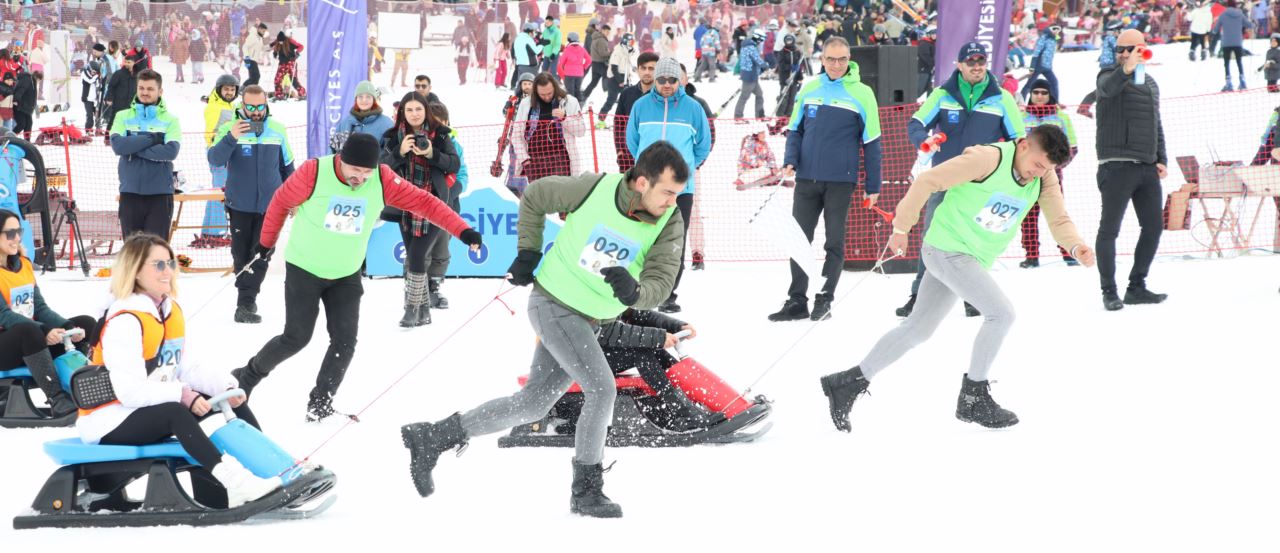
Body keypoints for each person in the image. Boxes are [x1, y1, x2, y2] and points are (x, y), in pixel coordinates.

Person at [399, 142, 690, 519]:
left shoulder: (670, 220)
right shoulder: (593, 188)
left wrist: (637, 292)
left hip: (591, 319)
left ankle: (433, 437)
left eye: (677, 195)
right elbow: (534, 196)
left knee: (532, 404)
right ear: (641, 182)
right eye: (667, 192)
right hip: (554, 305)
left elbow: (662, 280)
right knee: (601, 389)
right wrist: (529, 252)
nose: (672, 202)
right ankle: (586, 490)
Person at [819, 126, 1094, 433]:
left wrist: (1075, 245)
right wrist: (901, 227)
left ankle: (848, 382)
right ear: (1024, 145)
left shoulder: (1044, 177)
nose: (1038, 173)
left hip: (968, 257)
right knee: (1001, 314)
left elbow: (1058, 219)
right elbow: (927, 180)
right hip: (947, 250)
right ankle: (973, 397)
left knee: (916, 331)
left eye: (1047, 169)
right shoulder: (987, 159)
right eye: (1038, 164)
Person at [231, 134, 481, 421]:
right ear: (341, 160)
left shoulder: (383, 179)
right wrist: (265, 244)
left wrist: (463, 231)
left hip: (346, 273)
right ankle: (245, 377)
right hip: (304, 268)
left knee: (345, 342)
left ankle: (320, 404)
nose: (360, 177)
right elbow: (280, 202)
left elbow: (427, 203)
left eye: (366, 171)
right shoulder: (314, 172)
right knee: (296, 338)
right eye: (355, 170)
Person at [79, 234, 281, 507]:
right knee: (175, 412)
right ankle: (235, 484)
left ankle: (274, 471)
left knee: (226, 401)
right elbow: (129, 392)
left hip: (146, 408)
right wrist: (183, 395)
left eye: (170, 263)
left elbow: (182, 366)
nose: (168, 271)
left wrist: (223, 387)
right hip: (109, 419)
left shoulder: (167, 311)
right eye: (158, 265)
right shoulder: (125, 320)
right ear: (136, 271)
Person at [896, 42, 1024, 318]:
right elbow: (916, 124)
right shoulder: (942, 94)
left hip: (982, 184)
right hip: (943, 179)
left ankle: (971, 297)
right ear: (959, 64)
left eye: (981, 61)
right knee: (932, 236)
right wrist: (924, 142)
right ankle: (918, 295)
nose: (977, 66)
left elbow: (1019, 143)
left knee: (974, 239)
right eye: (971, 61)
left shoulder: (1001, 98)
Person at [768, 37, 882, 323]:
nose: (836, 65)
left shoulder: (863, 93)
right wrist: (790, 160)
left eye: (842, 59)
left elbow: (873, 143)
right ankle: (797, 300)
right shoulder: (810, 89)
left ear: (849, 59)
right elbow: (795, 130)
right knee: (798, 241)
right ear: (822, 59)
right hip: (806, 179)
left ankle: (824, 299)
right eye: (831, 59)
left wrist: (873, 186)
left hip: (840, 181)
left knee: (834, 242)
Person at [626, 58, 711, 314]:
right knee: (643, 236)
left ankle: (668, 294)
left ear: (679, 81)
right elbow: (632, 141)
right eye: (661, 79)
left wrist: (683, 171)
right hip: (646, 188)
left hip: (679, 191)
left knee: (674, 241)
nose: (666, 85)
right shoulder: (640, 106)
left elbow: (703, 145)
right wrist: (645, 169)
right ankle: (639, 290)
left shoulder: (693, 108)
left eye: (672, 80)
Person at [1094, 29, 1169, 311]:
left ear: (1143, 48)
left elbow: (1155, 122)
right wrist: (1125, 68)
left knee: (1153, 227)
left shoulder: (1149, 82)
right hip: (1115, 165)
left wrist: (1160, 157)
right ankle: (1109, 290)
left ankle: (1136, 286)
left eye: (1132, 48)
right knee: (1109, 229)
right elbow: (1108, 89)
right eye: (1121, 49)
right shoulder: (1107, 74)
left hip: (1146, 167)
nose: (1126, 53)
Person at [207, 85, 295, 324]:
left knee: (262, 253)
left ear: (266, 104)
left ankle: (246, 302)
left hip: (272, 205)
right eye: (251, 107)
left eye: (260, 106)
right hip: (239, 204)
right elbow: (214, 159)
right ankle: (245, 298)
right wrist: (231, 137)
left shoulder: (277, 129)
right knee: (241, 253)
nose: (256, 111)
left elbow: (288, 167)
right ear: (242, 105)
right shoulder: (229, 128)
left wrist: (294, 198)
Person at [0, 211, 95, 418]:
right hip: (8, 346)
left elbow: (40, 308)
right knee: (28, 331)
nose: (17, 238)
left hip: (31, 342)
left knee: (86, 324)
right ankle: (57, 398)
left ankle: (89, 386)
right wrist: (44, 331)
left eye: (19, 231)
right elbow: (4, 316)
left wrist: (67, 327)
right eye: (10, 233)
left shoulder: (23, 265)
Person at [380, 91, 462, 327]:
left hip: (434, 203)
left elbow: (455, 164)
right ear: (402, 113)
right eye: (409, 110)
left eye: (418, 109)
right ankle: (424, 310)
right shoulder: (393, 137)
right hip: (404, 205)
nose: (414, 114)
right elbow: (380, 168)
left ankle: (412, 308)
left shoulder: (441, 135)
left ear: (425, 110)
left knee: (416, 255)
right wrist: (399, 153)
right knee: (413, 254)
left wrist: (431, 153)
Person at [110, 68, 181, 240]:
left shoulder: (171, 120)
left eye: (150, 89)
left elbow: (171, 151)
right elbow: (118, 146)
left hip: (160, 195)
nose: (145, 92)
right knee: (132, 254)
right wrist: (154, 138)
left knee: (156, 253)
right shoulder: (122, 116)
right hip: (130, 194)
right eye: (141, 88)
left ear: (160, 91)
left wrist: (134, 147)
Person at [1019, 78, 1078, 268]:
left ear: (1050, 95)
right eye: (1035, 92)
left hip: (1052, 176)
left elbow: (1072, 148)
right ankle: (1031, 256)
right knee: (1027, 216)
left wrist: (1054, 167)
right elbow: (1017, 145)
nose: (1039, 96)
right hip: (1027, 176)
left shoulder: (1061, 117)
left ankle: (1068, 253)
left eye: (1044, 93)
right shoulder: (1022, 117)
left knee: (1057, 214)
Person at [425, 102, 466, 310]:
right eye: (434, 124)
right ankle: (416, 286)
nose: (438, 129)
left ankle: (434, 284)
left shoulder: (454, 146)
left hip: (448, 203)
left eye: (442, 124)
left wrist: (451, 193)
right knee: (422, 247)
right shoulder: (421, 143)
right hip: (424, 204)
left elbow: (463, 174)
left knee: (442, 245)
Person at [512, 73, 586, 183]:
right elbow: (516, 135)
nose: (546, 97)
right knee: (538, 198)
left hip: (560, 158)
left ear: (555, 88)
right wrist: (525, 159)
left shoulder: (570, 102)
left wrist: (564, 118)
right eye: (542, 94)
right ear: (536, 91)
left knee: (559, 196)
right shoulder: (526, 104)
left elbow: (581, 131)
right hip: (534, 160)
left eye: (549, 93)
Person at [197, 74, 240, 249]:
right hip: (219, 153)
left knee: (217, 190)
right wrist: (216, 148)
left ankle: (210, 230)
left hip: (225, 152)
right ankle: (216, 232)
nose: (229, 92)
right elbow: (211, 131)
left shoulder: (229, 105)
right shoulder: (216, 107)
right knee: (221, 192)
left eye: (232, 89)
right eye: (226, 89)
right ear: (219, 89)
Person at [612, 51, 657, 169]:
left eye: (651, 68)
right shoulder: (627, 94)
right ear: (637, 70)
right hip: (628, 158)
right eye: (643, 68)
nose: (647, 72)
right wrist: (620, 151)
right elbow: (619, 124)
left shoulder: (663, 96)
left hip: (656, 158)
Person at [334, 80, 394, 152]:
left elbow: (391, 152)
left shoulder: (386, 123)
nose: (364, 100)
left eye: (368, 97)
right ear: (356, 99)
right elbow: (334, 150)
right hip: (347, 163)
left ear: (374, 99)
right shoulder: (345, 122)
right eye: (360, 97)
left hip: (375, 163)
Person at [1212, 0, 1253, 91]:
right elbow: (1249, 25)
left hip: (1226, 42)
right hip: (1238, 42)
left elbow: (1216, 29)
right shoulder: (1240, 14)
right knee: (1239, 62)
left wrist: (1213, 31)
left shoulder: (1223, 15)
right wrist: (1251, 21)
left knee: (1226, 63)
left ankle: (1228, 82)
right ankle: (1242, 80)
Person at [600, 33, 636, 126]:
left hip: (625, 77)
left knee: (628, 100)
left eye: (632, 41)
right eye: (630, 41)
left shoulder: (627, 51)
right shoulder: (618, 51)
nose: (632, 43)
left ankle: (627, 121)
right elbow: (614, 67)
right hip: (615, 79)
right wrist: (620, 81)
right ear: (625, 41)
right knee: (611, 99)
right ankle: (601, 120)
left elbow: (626, 63)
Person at [734, 28, 769, 120]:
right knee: (744, 97)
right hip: (749, 76)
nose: (761, 42)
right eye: (761, 40)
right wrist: (765, 65)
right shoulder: (750, 47)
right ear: (757, 38)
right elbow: (757, 60)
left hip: (752, 75)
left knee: (759, 94)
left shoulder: (748, 46)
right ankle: (738, 116)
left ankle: (760, 115)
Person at [103, 54, 139, 142]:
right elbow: (111, 86)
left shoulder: (137, 75)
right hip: (119, 102)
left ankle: (127, 138)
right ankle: (107, 138)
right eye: (125, 62)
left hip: (131, 102)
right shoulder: (118, 73)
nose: (126, 64)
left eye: (129, 62)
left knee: (130, 121)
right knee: (114, 119)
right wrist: (109, 98)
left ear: (134, 63)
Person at [1020, 25, 1061, 101]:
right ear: (1050, 29)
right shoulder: (1043, 38)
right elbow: (1036, 53)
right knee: (1030, 84)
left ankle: (1055, 103)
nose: (1056, 31)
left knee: (1054, 82)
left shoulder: (1054, 39)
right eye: (1054, 29)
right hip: (1039, 65)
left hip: (1047, 66)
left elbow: (1059, 41)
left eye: (1058, 30)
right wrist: (1032, 67)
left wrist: (1057, 36)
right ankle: (1021, 102)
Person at [269, 31, 305, 101]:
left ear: (284, 39)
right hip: (282, 64)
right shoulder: (277, 41)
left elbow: (301, 46)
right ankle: (279, 95)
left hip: (290, 63)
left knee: (294, 81)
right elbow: (273, 45)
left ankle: (302, 94)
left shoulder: (290, 41)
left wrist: (297, 53)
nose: (280, 42)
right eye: (279, 41)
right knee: (277, 80)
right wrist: (275, 53)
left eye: (282, 41)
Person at [583, 24, 612, 100]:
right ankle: (611, 95)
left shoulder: (596, 38)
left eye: (609, 32)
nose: (608, 33)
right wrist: (611, 53)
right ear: (602, 30)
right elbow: (602, 53)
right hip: (600, 63)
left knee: (594, 82)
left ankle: (585, 94)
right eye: (606, 31)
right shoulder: (601, 40)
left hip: (595, 63)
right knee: (609, 77)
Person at [558, 32, 590, 101]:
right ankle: (579, 106)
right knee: (577, 91)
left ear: (569, 39)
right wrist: (583, 67)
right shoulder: (582, 49)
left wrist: (562, 73)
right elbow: (589, 60)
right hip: (579, 74)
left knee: (570, 93)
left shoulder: (567, 50)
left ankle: (571, 108)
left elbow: (561, 62)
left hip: (568, 74)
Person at [82, 44, 107, 133]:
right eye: (94, 51)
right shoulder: (89, 63)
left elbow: (104, 76)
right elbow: (88, 78)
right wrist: (97, 75)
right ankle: (89, 130)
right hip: (89, 95)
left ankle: (98, 129)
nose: (94, 53)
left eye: (96, 52)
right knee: (89, 115)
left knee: (98, 112)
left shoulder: (104, 61)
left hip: (98, 93)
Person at [513, 22, 541, 91]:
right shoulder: (528, 39)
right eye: (532, 32)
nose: (533, 34)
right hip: (530, 65)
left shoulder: (517, 38)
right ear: (530, 31)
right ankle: (533, 100)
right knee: (533, 84)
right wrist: (542, 44)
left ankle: (518, 98)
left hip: (520, 64)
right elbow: (536, 51)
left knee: (521, 84)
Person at [242, 23, 269, 88]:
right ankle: (242, 89)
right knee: (256, 76)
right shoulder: (253, 36)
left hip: (254, 60)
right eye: (263, 31)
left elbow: (262, 48)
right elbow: (245, 47)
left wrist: (271, 46)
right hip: (249, 59)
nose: (264, 33)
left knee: (254, 77)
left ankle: (251, 89)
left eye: (265, 31)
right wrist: (247, 57)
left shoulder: (259, 38)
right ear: (259, 29)